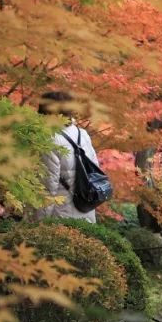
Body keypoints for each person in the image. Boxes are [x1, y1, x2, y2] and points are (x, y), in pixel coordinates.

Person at [36, 91, 100, 223]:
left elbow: (48, 187)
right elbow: (95, 173)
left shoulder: (49, 139)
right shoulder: (82, 134)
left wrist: (39, 223)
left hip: (60, 217)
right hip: (86, 210)